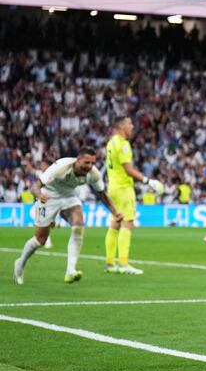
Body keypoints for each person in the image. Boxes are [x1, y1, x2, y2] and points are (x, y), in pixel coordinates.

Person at [13, 147, 123, 285]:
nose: (90, 166)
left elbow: (102, 194)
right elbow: (35, 186)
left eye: (92, 163)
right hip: (48, 197)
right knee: (40, 240)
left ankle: (70, 271)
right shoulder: (61, 167)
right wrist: (40, 195)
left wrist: (115, 212)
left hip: (70, 197)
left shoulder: (93, 174)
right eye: (86, 162)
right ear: (77, 160)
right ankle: (20, 262)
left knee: (78, 226)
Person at [104, 116, 164, 275]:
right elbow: (128, 170)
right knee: (127, 223)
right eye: (130, 123)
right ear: (122, 126)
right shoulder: (123, 144)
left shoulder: (111, 142)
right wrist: (148, 181)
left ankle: (110, 263)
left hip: (112, 187)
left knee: (115, 224)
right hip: (123, 188)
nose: (132, 126)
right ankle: (123, 264)